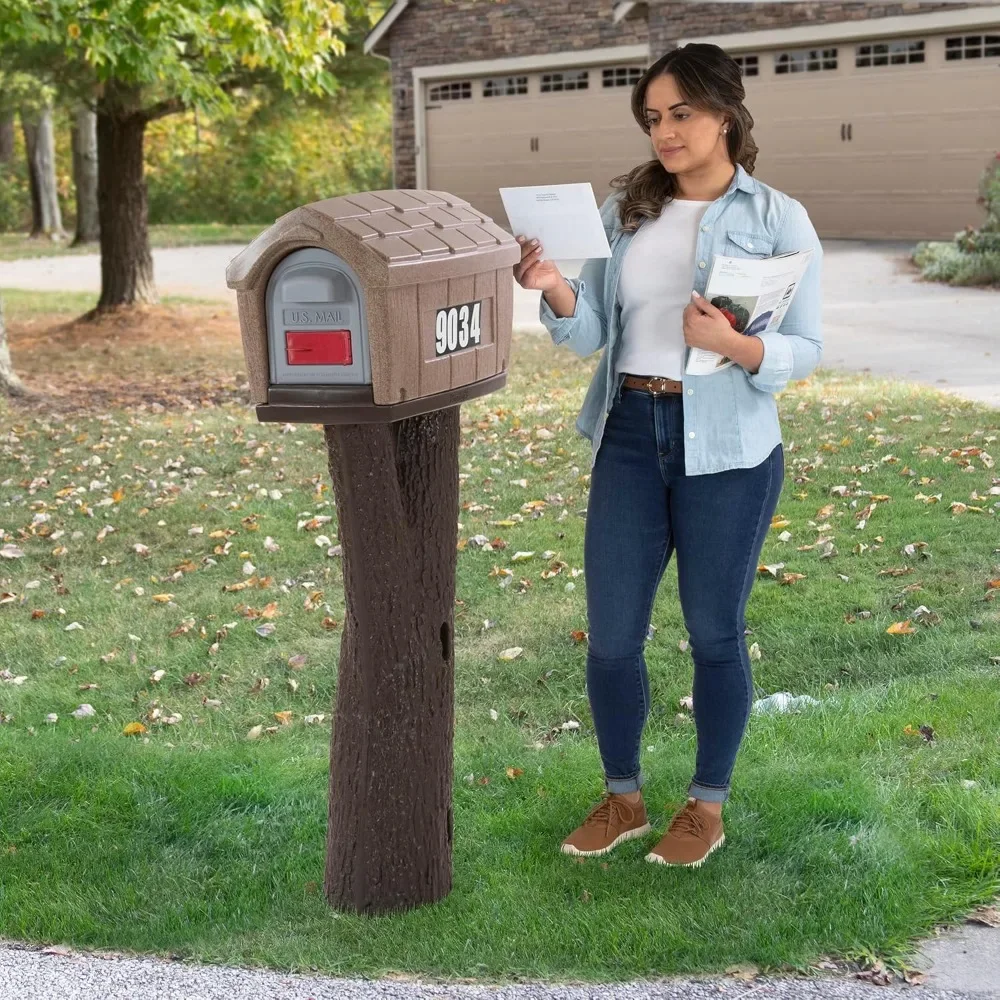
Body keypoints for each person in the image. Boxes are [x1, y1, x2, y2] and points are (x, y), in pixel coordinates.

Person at [512, 43, 823, 868]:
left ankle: (705, 808)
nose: (666, 131)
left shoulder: (777, 217)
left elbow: (806, 346)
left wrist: (737, 347)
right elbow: (590, 334)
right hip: (628, 437)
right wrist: (551, 286)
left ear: (725, 111)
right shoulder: (627, 210)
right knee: (612, 636)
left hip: (729, 448)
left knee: (714, 632)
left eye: (680, 112)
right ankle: (623, 799)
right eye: (653, 118)